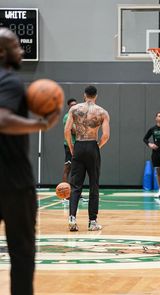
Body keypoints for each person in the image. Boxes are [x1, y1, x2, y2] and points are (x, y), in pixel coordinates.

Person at [0, 28, 61, 295]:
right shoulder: (10, 81)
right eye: (16, 45)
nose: (22, 50)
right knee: (22, 253)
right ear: (2, 52)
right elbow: (2, 120)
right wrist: (42, 123)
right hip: (13, 182)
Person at [64, 85, 110, 231]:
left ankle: (72, 218)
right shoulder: (102, 112)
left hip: (78, 145)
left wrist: (72, 147)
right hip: (92, 146)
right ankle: (92, 222)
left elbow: (66, 131)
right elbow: (106, 135)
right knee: (93, 185)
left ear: (84, 95)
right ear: (96, 96)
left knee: (75, 185)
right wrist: (98, 146)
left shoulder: (74, 109)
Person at [62, 98, 77, 182]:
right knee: (68, 168)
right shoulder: (67, 117)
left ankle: (75, 192)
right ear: (69, 107)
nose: (74, 107)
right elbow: (74, 131)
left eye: (75, 105)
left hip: (77, 145)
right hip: (70, 145)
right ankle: (65, 193)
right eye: (72, 105)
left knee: (77, 169)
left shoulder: (77, 116)